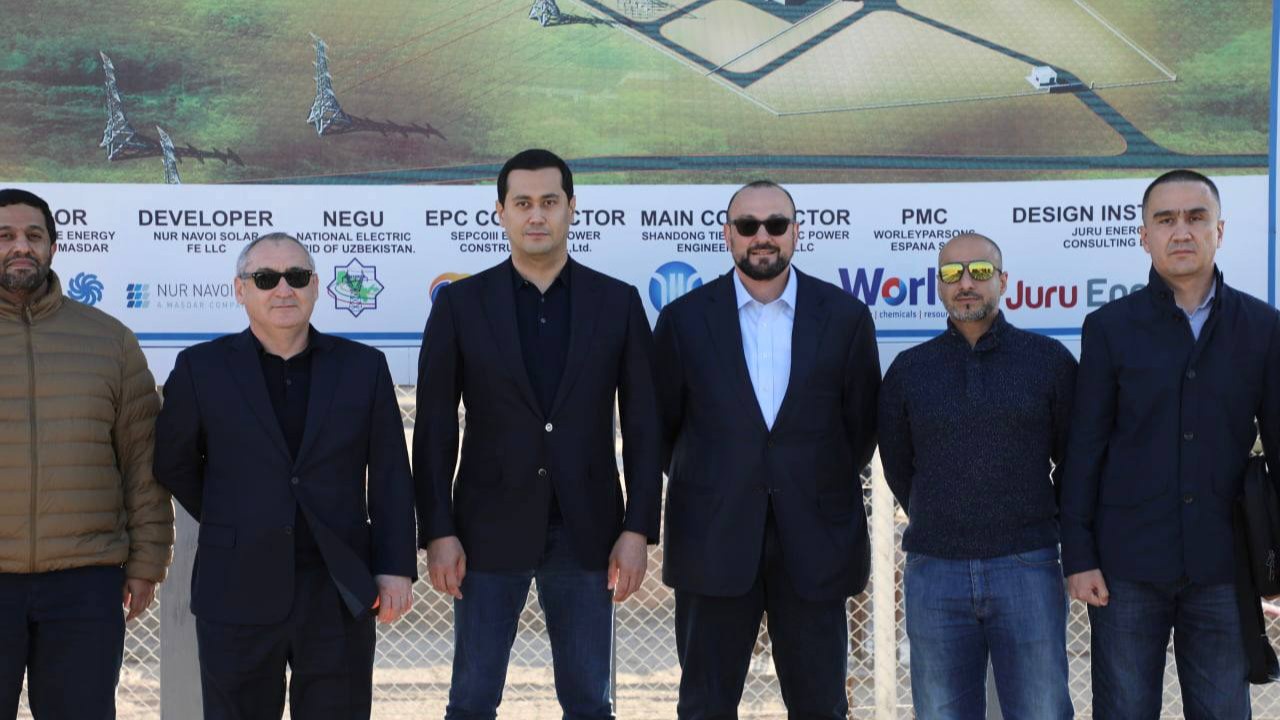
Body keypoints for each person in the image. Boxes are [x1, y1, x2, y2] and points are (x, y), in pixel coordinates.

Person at [415, 148, 662, 720]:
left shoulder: (617, 302)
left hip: (588, 533)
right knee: (471, 701)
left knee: (589, 702)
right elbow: (433, 430)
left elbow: (644, 428)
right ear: (500, 212)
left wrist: (637, 528)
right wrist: (438, 531)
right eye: (522, 203)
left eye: (549, 201)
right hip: (484, 532)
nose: (536, 215)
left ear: (572, 208)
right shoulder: (460, 306)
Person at [154, 232, 416, 720]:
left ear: (315, 286)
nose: (283, 289)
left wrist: (395, 566)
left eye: (296, 277)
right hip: (236, 588)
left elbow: (390, 476)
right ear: (240, 290)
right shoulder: (200, 368)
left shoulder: (363, 367)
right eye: (265, 278)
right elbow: (172, 461)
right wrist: (234, 514)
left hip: (338, 589)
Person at [653, 180, 879, 719]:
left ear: (796, 232)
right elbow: (662, 431)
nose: (762, 236)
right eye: (748, 225)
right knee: (705, 706)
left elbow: (859, 430)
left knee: (821, 706)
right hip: (713, 539)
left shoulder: (845, 317)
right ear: (727, 234)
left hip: (814, 543)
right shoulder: (683, 321)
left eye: (776, 224)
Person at [1061, 169, 1280, 718]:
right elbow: (1084, 450)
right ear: (1145, 236)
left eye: (1195, 217)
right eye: (1165, 220)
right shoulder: (1108, 328)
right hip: (1125, 569)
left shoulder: (1263, 327)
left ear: (1219, 231)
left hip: (1224, 567)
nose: (1181, 231)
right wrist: (1079, 556)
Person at [878, 233, 1076, 718]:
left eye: (980, 271)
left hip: (1027, 567)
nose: (965, 283)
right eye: (952, 273)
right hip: (935, 571)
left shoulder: (1048, 361)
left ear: (1003, 281)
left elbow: (1074, 460)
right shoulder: (909, 370)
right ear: (939, 286)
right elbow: (899, 464)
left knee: (1042, 712)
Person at [0, 188, 173, 719]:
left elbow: (143, 461)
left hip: (84, 584)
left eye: (33, 235)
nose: (20, 246)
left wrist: (147, 560)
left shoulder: (110, 341)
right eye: (5, 236)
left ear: (53, 247)